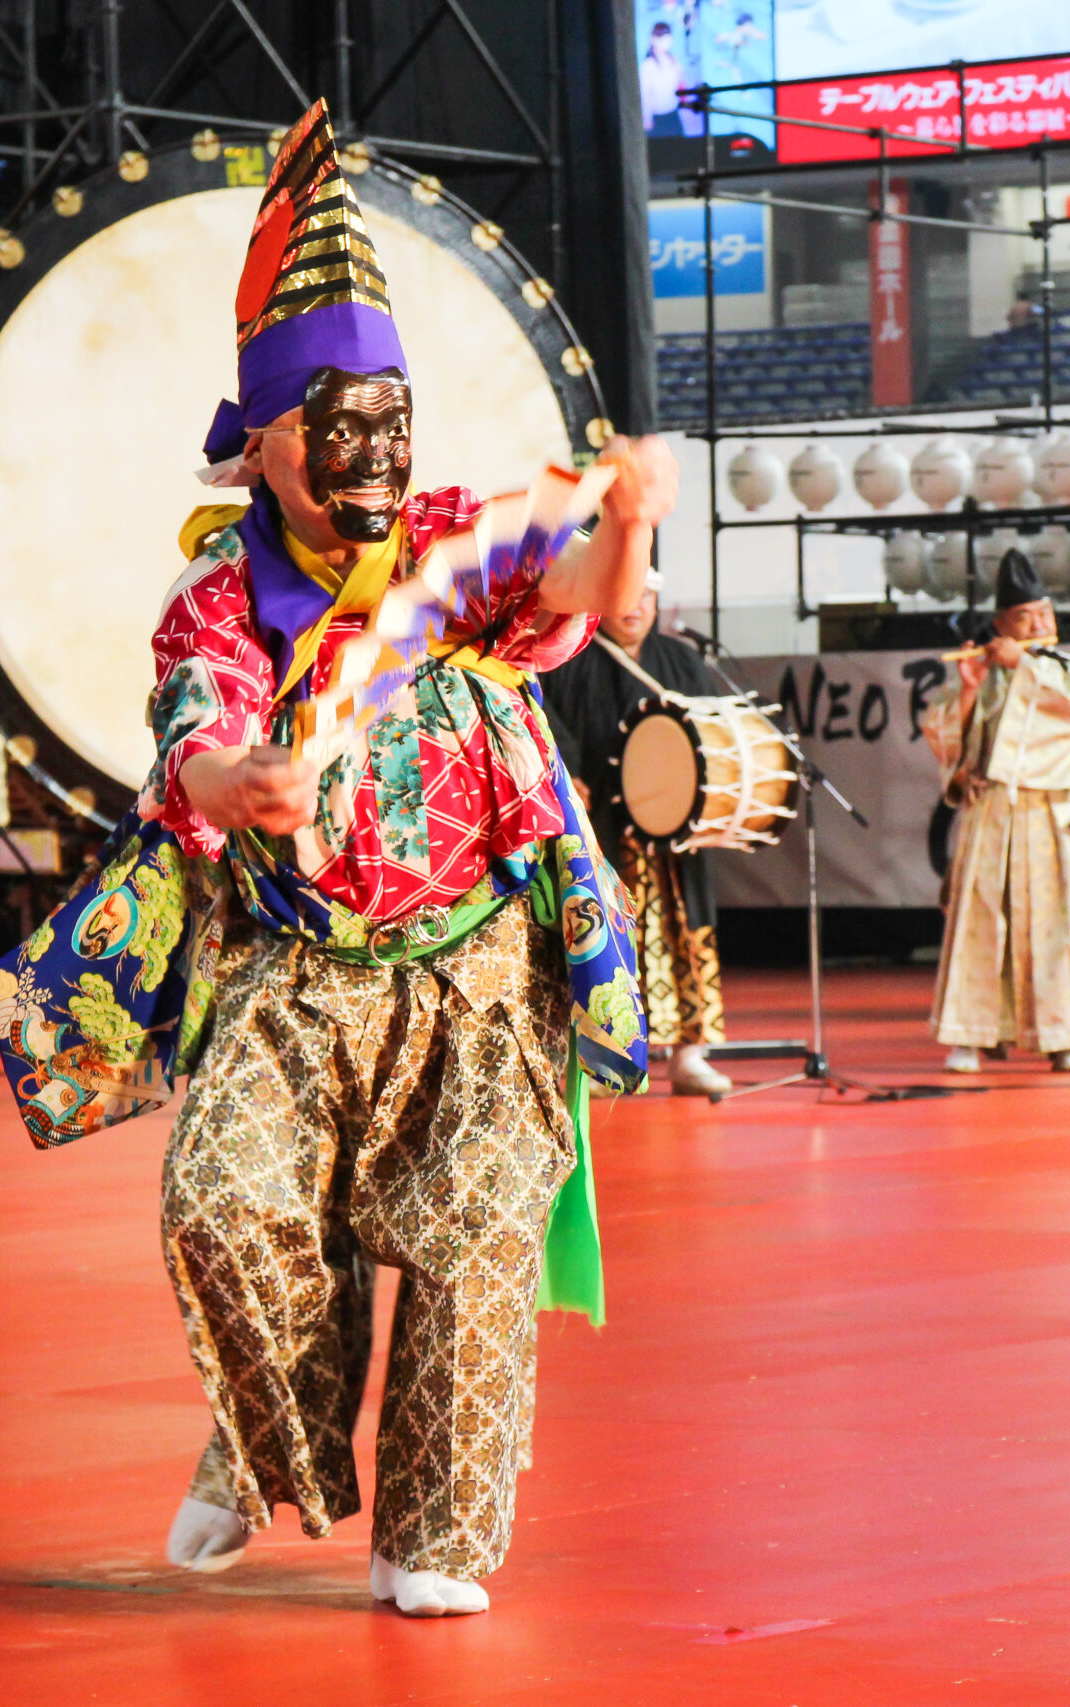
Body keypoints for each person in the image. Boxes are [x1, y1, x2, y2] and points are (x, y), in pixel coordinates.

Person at [71, 105, 675, 1618]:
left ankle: (438, 1533)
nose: (376, 449)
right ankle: (264, 1442)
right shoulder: (223, 594)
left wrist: (634, 526)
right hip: (291, 975)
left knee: (473, 1237)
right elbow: (192, 736)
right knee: (225, 1206)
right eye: (340, 423)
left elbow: (593, 592)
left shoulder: (455, 543)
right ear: (268, 443)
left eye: (392, 418)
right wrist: (238, 776)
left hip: (478, 970)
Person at [542, 571, 731, 1098]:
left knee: (686, 930)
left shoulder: (682, 660)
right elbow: (546, 722)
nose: (635, 606)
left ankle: (691, 1055)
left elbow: (713, 730)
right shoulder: (568, 657)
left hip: (676, 829)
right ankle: (606, 1057)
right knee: (607, 932)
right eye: (624, 593)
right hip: (603, 823)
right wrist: (569, 772)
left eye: (645, 596)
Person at [925, 549, 1070, 1074]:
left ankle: (1063, 1037)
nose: (1039, 623)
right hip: (991, 811)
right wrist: (966, 692)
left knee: (1053, 927)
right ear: (1000, 624)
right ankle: (971, 1033)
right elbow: (945, 738)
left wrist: (1025, 665)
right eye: (1025, 617)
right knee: (980, 924)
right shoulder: (982, 671)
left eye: (1045, 614)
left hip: (1048, 811)